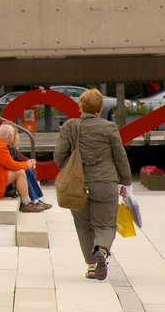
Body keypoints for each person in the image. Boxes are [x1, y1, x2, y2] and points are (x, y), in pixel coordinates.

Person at [54, 89, 133, 281]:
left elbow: (58, 155)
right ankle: (101, 250)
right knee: (105, 223)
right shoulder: (109, 127)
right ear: (99, 108)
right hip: (105, 181)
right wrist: (126, 182)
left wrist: (70, 170)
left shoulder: (70, 126)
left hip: (77, 185)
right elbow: (120, 156)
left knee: (83, 225)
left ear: (80, 106)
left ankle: (91, 266)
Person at [0, 124, 44, 213]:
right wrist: (27, 164)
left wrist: (27, 164)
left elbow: (10, 164)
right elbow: (13, 165)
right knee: (20, 173)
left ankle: (34, 199)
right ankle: (26, 204)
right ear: (10, 136)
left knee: (23, 170)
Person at [5, 130, 52, 209]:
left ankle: (36, 199)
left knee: (28, 170)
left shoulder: (11, 145)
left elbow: (17, 159)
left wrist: (28, 163)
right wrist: (26, 165)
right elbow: (10, 164)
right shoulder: (2, 145)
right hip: (4, 172)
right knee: (22, 172)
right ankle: (33, 200)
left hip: (9, 169)